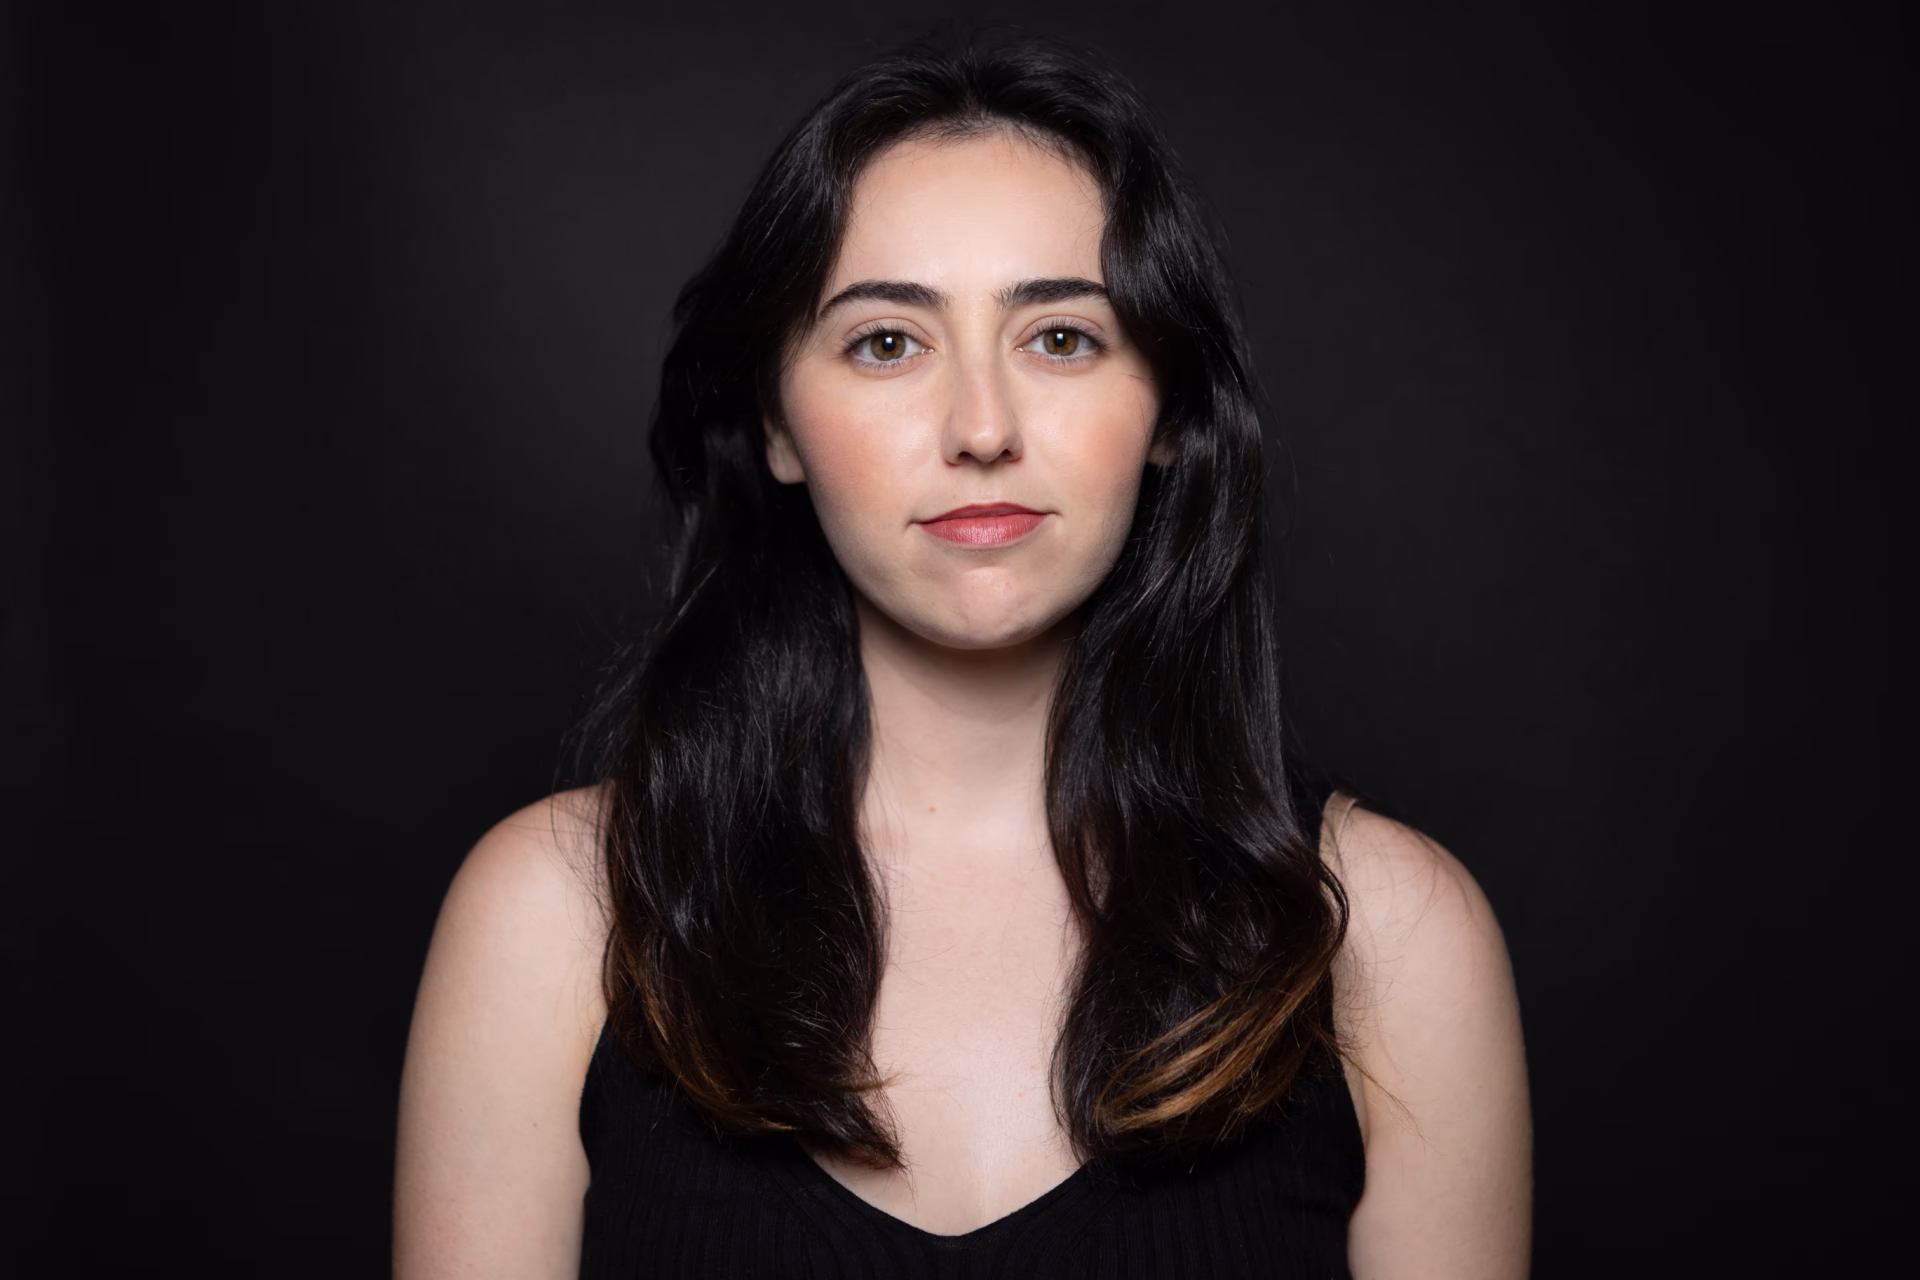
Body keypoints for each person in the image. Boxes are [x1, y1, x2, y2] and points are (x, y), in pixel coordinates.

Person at [394, 35, 1530, 1279]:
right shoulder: (556, 916)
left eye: (1062, 338)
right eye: (888, 342)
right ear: (777, 422)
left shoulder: (1389, 937)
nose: (982, 428)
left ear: (1166, 410)